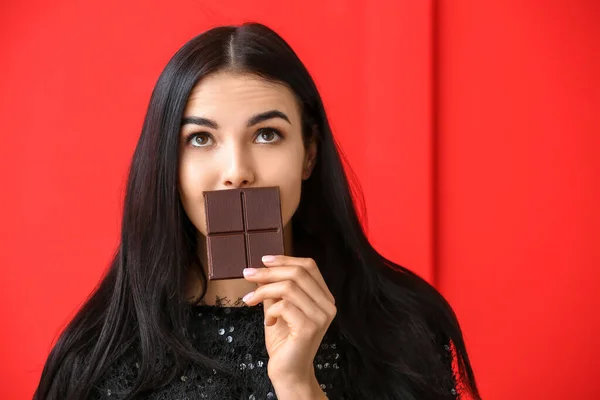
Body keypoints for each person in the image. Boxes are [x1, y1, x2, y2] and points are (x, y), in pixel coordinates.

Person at [33, 22, 480, 400]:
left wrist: (299, 384)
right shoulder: (94, 358)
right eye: (201, 139)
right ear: (167, 164)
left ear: (309, 155)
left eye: (267, 134)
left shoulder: (402, 328)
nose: (237, 172)